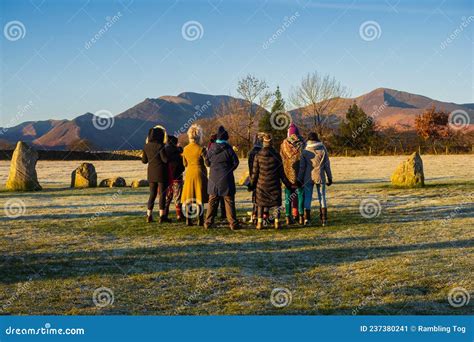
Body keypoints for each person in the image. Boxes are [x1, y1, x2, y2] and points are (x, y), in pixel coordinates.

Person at [248, 133, 292, 229]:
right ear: (271, 143)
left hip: (261, 185)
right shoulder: (277, 156)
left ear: (263, 143)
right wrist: (289, 185)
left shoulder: (258, 155)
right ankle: (276, 222)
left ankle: (259, 223)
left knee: (260, 204)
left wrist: (251, 185)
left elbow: (255, 173)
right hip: (274, 184)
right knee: (276, 204)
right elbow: (282, 174)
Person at [204, 126, 240, 230]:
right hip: (226, 179)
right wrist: (229, 170)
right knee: (229, 200)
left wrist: (214, 167)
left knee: (212, 201)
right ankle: (233, 223)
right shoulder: (228, 149)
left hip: (214, 178)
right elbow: (236, 162)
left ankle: (208, 222)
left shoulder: (211, 148)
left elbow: (207, 162)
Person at [298, 132, 333, 226]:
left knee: (308, 198)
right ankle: (324, 219)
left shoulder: (305, 151)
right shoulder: (323, 149)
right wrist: (330, 177)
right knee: (322, 197)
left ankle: (307, 219)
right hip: (320, 175)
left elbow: (302, 167)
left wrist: (299, 179)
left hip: (307, 177)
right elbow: (327, 165)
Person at [181, 124, 208, 226]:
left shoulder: (185, 149)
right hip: (200, 173)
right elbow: (206, 162)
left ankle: (189, 219)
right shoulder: (202, 149)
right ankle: (200, 219)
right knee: (199, 196)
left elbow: (184, 164)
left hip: (189, 173)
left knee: (189, 196)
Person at [142, 126, 169, 223]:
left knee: (152, 194)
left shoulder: (146, 146)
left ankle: (149, 215)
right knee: (162, 194)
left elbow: (144, 161)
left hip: (151, 174)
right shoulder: (160, 146)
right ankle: (162, 216)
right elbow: (165, 160)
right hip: (161, 173)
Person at [280, 123, 305, 225]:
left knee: (288, 196)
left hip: (287, 174)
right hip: (300, 174)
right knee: (300, 195)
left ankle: (287, 216)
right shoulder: (302, 143)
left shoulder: (283, 144)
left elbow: (281, 158)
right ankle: (301, 216)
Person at [164, 135, 185, 221]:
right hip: (177, 177)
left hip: (167, 178)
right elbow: (182, 167)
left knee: (167, 198)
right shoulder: (179, 153)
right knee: (178, 197)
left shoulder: (164, 151)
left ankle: (164, 214)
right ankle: (179, 215)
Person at [248, 132, 265, 224]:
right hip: (262, 177)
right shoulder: (262, 151)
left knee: (255, 197)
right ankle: (263, 215)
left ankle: (254, 214)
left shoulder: (251, 152)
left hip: (253, 176)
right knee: (263, 198)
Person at [208, 134, 226, 220]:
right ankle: (224, 213)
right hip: (223, 175)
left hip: (213, 175)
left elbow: (207, 161)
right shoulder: (224, 147)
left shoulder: (210, 148)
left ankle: (211, 216)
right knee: (223, 196)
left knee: (213, 197)